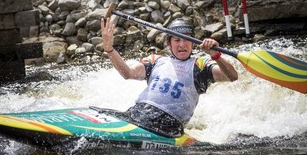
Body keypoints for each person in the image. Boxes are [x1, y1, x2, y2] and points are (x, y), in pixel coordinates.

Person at [99, 17, 238, 138]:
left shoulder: (200, 65)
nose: (182, 44)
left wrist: (216, 55)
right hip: (138, 113)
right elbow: (128, 73)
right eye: (177, 40)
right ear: (169, 44)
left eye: (186, 40)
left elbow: (232, 76)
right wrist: (109, 50)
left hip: (168, 124)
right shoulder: (156, 61)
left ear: (193, 43)